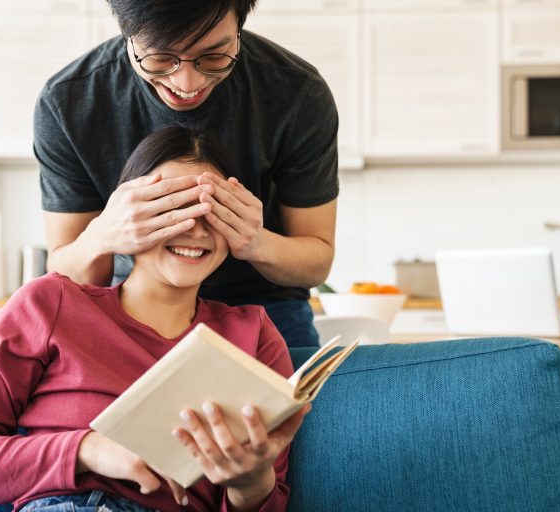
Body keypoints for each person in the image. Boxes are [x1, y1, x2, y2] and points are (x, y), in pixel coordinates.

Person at [0, 126, 309, 511]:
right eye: (170, 207)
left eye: (212, 210)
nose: (195, 228)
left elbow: (269, 499)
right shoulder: (50, 303)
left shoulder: (253, 333)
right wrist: (89, 449)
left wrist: (250, 484)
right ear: (127, 214)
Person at [35, 0, 339, 347]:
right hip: (130, 304)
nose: (187, 82)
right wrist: (101, 237)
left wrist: (256, 242)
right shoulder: (69, 101)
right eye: (161, 58)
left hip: (266, 305)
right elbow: (64, 272)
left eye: (214, 56)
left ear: (239, 27)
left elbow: (316, 263)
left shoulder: (296, 92)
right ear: (126, 33)